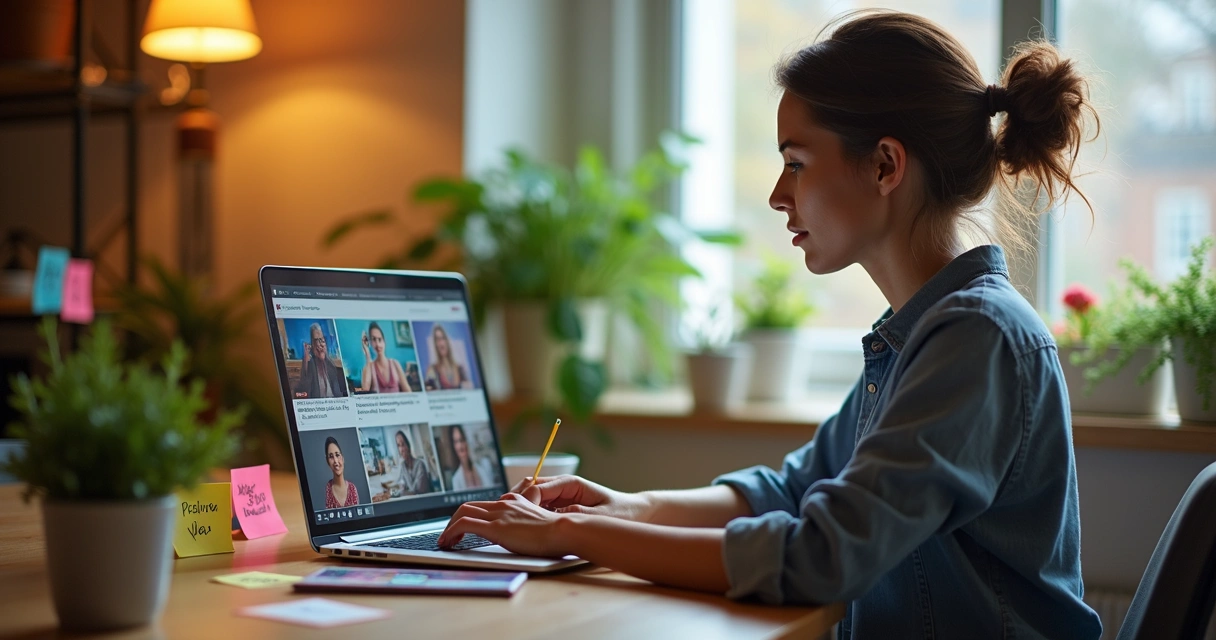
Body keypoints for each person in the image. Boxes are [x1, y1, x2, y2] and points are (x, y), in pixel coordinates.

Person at [439, 11, 1104, 639]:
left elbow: (821, 555)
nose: (778, 195)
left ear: (884, 165)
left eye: (796, 161)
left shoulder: (978, 339)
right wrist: (618, 506)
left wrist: (566, 537)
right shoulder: (921, 334)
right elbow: (792, 489)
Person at [358, 321, 413, 393]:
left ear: (384, 341)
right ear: (370, 342)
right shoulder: (369, 366)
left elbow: (408, 391)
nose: (377, 344)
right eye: (374, 339)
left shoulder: (395, 364)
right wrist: (367, 355)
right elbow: (365, 389)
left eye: (380, 339)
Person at [297, 323, 348, 399]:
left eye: (321, 340)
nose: (319, 344)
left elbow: (338, 394)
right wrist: (305, 362)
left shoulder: (331, 366)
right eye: (316, 341)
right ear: (312, 345)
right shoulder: (310, 365)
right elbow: (303, 392)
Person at [425, 324, 473, 390]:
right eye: (437, 339)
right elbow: (428, 390)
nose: (441, 343)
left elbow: (469, 388)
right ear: (435, 344)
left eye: (443, 338)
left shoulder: (459, 368)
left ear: (447, 341)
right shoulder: (433, 369)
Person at [447, 425, 494, 491]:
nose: (460, 446)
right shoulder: (456, 480)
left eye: (462, 440)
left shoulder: (484, 466)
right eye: (456, 442)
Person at [392, 430, 433, 497]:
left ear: (408, 446)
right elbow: (401, 482)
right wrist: (402, 486)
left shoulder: (420, 464)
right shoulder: (403, 466)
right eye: (398, 446)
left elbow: (418, 491)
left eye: (403, 444)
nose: (401, 449)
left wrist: (401, 493)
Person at [323, 436, 359, 509]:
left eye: (337, 455)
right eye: (331, 456)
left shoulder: (352, 488)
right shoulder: (328, 488)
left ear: (342, 458)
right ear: (327, 461)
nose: (336, 461)